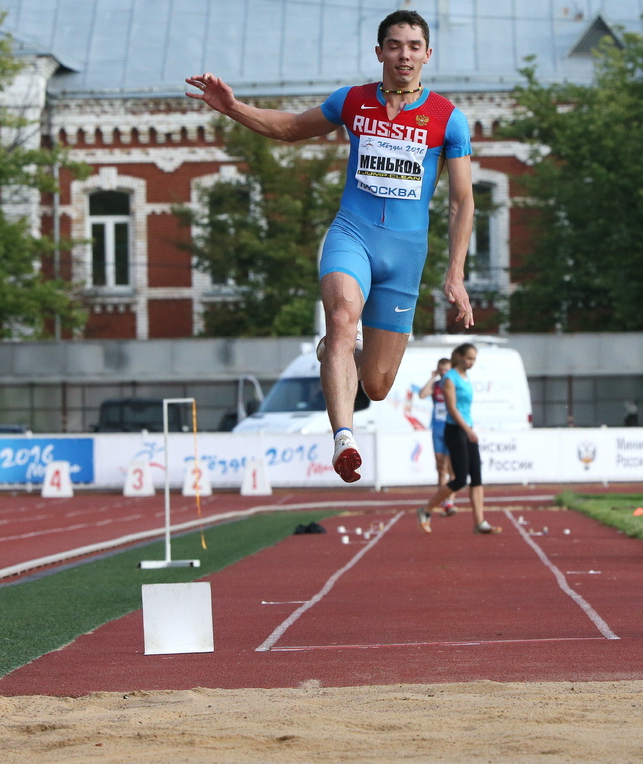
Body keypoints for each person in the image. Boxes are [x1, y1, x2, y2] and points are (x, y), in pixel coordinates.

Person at [186, 10, 475, 484]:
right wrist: (232, 107)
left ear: (427, 54)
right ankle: (344, 437)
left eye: (414, 46)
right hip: (352, 234)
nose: (404, 54)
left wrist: (455, 273)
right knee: (341, 317)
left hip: (404, 255)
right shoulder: (353, 102)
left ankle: (340, 352)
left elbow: (463, 202)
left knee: (378, 385)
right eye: (395, 44)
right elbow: (288, 128)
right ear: (379, 51)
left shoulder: (449, 120)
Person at [417, 343, 500, 535]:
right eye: (470, 358)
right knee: (460, 479)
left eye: (474, 359)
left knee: (477, 477)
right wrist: (467, 429)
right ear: (460, 357)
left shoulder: (466, 377)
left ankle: (480, 522)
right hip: (455, 430)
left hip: (467, 428)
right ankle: (426, 509)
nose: (472, 363)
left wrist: (469, 428)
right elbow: (452, 409)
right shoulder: (449, 378)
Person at [418, 358, 456, 514]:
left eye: (446, 369)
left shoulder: (454, 385)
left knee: (452, 468)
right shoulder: (436, 385)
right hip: (438, 429)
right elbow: (422, 394)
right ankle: (443, 501)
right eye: (441, 369)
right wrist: (432, 377)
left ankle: (450, 501)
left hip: (451, 429)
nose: (443, 372)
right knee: (441, 468)